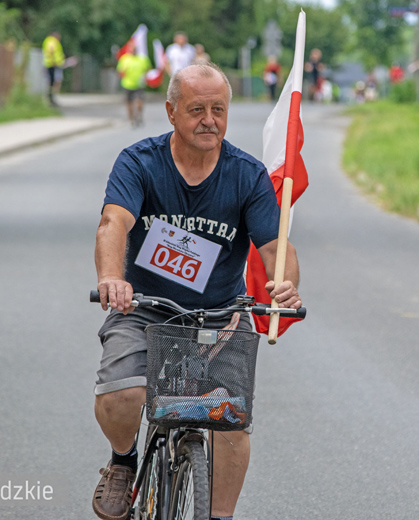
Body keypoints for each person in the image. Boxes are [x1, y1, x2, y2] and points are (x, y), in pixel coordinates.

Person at [91, 63, 302, 520]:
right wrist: (112, 278)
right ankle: (123, 461)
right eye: (197, 110)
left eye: (218, 110)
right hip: (144, 308)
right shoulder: (140, 163)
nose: (209, 120)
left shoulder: (247, 175)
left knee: (230, 421)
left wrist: (285, 284)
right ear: (171, 112)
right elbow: (113, 223)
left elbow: (275, 247)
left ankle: (219, 516)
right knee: (121, 395)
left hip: (221, 315)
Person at [116, 40, 150, 127]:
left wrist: (144, 77)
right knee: (129, 102)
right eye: (131, 49)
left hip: (139, 84)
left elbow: (147, 69)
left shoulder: (142, 59)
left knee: (139, 101)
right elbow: (120, 71)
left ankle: (139, 115)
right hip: (127, 84)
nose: (133, 51)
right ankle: (131, 119)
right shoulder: (124, 59)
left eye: (134, 49)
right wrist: (122, 75)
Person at [42, 31, 65, 107]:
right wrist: (53, 61)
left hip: (51, 64)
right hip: (53, 65)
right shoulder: (52, 41)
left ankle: (51, 97)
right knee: (53, 82)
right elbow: (51, 50)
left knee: (52, 82)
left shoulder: (48, 41)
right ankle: (50, 98)